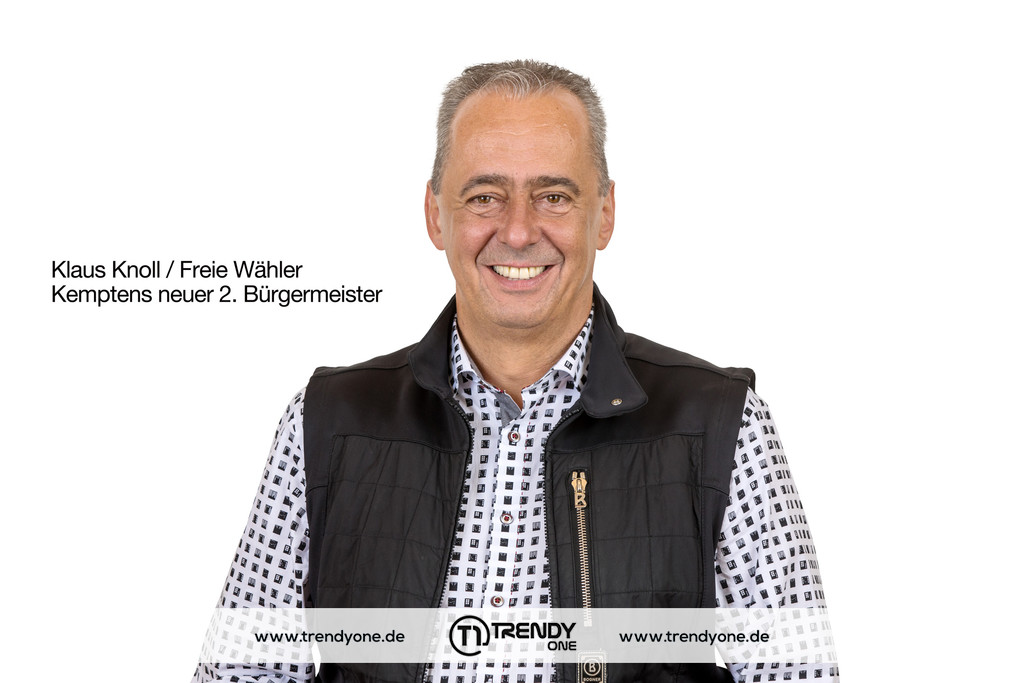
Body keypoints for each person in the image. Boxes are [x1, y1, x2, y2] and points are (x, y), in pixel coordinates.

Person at [192, 60, 838, 683]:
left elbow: (796, 670)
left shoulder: (720, 425)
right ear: (435, 215)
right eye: (485, 196)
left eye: (553, 196)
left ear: (605, 213)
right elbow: (241, 669)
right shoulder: (327, 422)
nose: (520, 231)